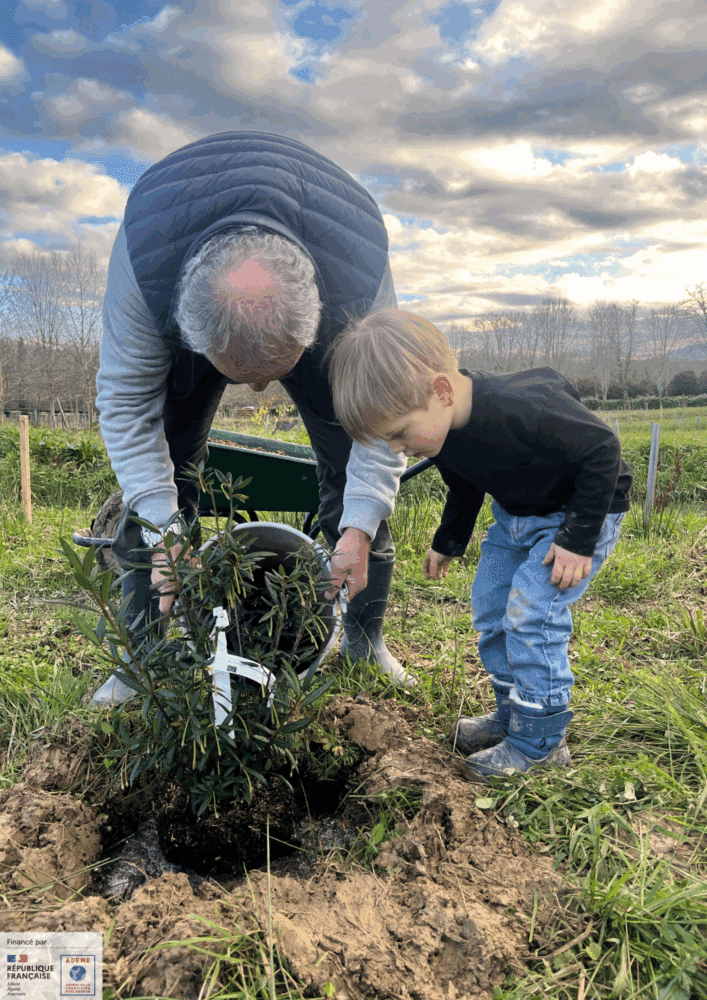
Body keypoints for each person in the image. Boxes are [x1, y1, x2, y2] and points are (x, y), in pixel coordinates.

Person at [93, 131, 415, 706]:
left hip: (331, 280)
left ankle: (365, 642)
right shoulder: (146, 269)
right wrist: (165, 527)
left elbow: (388, 417)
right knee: (170, 452)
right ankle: (143, 655)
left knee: (352, 454)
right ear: (192, 334)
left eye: (273, 372)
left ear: (316, 325)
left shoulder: (358, 281)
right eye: (241, 372)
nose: (261, 388)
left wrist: (360, 524)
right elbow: (125, 403)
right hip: (178, 271)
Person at [327, 310, 632, 781]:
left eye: (400, 433)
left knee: (531, 612)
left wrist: (577, 540)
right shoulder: (443, 430)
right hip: (517, 516)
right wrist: (448, 541)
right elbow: (466, 483)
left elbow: (603, 450)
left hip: (579, 515)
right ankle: (514, 712)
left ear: (442, 392)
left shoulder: (520, 409)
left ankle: (541, 742)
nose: (398, 449)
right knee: (490, 605)